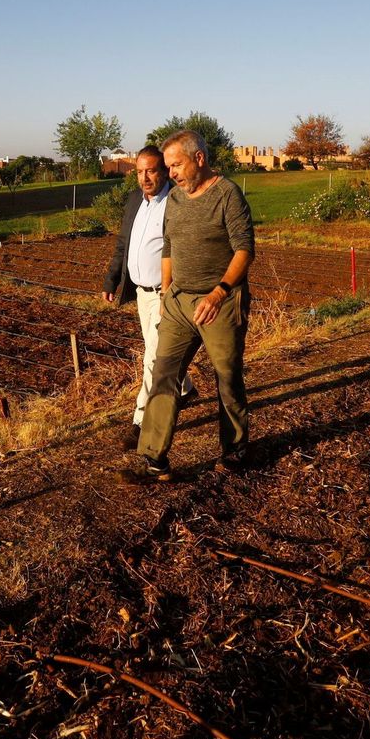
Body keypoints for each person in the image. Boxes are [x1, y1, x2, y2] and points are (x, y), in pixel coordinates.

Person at [128, 129, 255, 482]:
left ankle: (235, 449)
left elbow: (245, 250)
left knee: (227, 377)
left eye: (176, 165)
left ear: (199, 158)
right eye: (168, 167)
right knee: (163, 373)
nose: (172, 174)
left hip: (220, 301)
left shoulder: (228, 195)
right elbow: (168, 246)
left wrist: (219, 294)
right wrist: (168, 291)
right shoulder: (176, 201)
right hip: (180, 301)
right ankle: (154, 458)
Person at [101, 145, 193, 450]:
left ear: (164, 171)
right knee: (155, 353)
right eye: (140, 171)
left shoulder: (176, 202)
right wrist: (112, 279)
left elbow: (182, 249)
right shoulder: (133, 202)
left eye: (151, 170)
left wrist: (175, 291)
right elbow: (122, 244)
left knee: (152, 359)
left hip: (165, 295)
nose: (145, 177)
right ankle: (184, 388)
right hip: (141, 294)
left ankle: (141, 422)